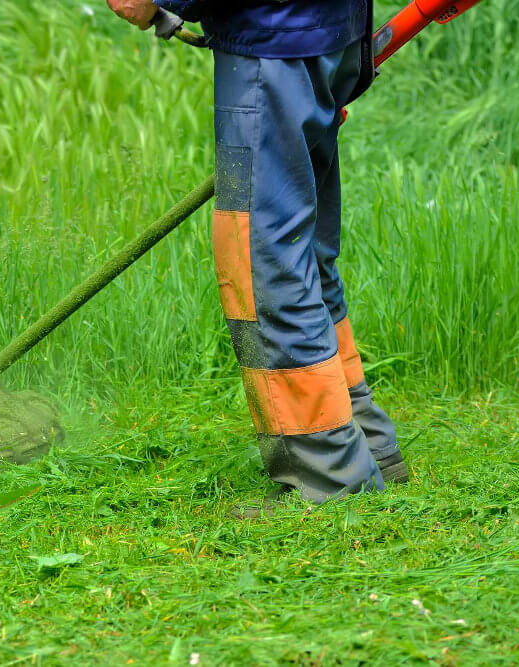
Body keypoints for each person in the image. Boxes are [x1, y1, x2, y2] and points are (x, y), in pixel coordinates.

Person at [105, 0, 408, 512]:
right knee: (303, 252)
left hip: (276, 40)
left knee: (264, 262)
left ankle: (330, 478)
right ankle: (362, 437)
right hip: (326, 32)